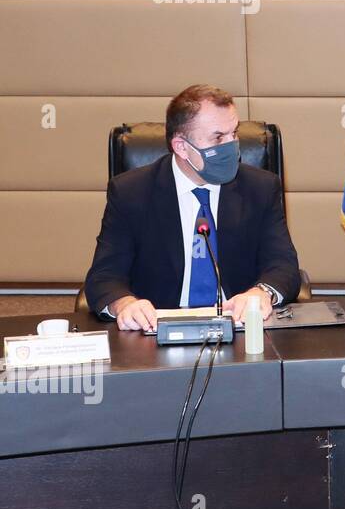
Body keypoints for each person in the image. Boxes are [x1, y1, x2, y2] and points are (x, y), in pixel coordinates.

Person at [84, 84, 301, 331]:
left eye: (234, 133)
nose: (233, 146)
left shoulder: (260, 188)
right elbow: (104, 277)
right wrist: (124, 304)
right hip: (156, 334)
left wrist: (261, 293)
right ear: (181, 147)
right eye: (218, 138)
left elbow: (284, 266)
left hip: (240, 329)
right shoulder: (131, 193)